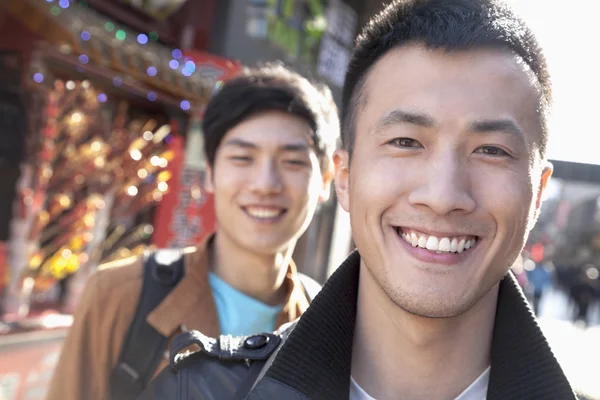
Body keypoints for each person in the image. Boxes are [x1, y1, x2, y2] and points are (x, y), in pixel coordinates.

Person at [140, 0, 596, 398]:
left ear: (537, 194)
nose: (442, 196)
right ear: (344, 176)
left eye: (491, 150)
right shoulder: (195, 392)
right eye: (405, 142)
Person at [47, 63, 339, 400]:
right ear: (211, 173)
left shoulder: (328, 326)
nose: (265, 185)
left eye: (292, 162)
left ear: (326, 181)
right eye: (243, 158)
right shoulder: (119, 295)